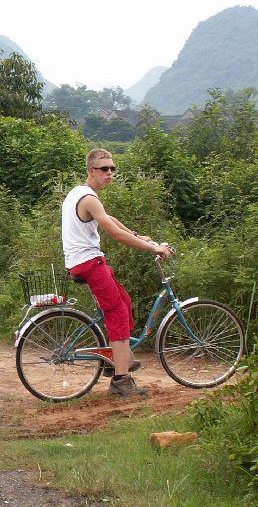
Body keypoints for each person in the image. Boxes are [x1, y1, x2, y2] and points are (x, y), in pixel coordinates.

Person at [61, 148, 174, 397]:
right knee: (118, 312)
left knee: (124, 301)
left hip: (87, 261)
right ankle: (121, 379)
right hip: (89, 263)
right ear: (91, 170)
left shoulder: (82, 193)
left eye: (113, 168)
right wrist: (153, 247)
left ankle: (120, 357)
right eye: (104, 169)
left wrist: (136, 234)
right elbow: (115, 233)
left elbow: (109, 219)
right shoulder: (89, 198)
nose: (110, 173)